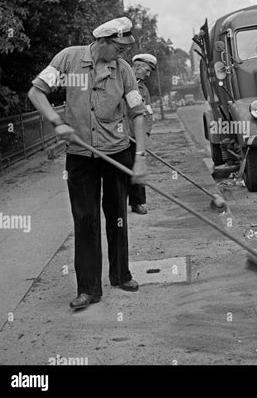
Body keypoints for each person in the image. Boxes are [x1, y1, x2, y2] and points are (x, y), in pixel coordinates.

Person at [28, 17, 148, 310]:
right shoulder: (68, 60)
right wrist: (57, 122)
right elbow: (36, 92)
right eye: (118, 47)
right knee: (85, 219)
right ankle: (89, 289)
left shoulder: (124, 71)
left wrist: (141, 156)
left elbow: (138, 113)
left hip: (116, 152)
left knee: (117, 215)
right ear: (102, 42)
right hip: (80, 156)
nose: (122, 53)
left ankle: (121, 275)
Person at [128, 53, 156, 215]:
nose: (148, 74)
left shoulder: (143, 89)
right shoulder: (123, 82)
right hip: (121, 135)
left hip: (136, 136)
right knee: (120, 170)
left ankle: (137, 202)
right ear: (137, 68)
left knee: (137, 167)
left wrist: (145, 134)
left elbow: (148, 113)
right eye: (147, 70)